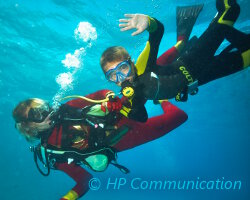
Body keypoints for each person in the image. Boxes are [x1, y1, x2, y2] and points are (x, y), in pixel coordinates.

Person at [13, 90, 187, 199]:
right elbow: (85, 181)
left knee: (146, 85)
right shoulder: (52, 154)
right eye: (37, 113)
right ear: (28, 127)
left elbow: (97, 95)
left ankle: (179, 49)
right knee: (179, 117)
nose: (46, 111)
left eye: (44, 106)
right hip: (125, 136)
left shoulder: (67, 109)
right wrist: (67, 198)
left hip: (119, 111)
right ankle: (163, 99)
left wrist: (110, 96)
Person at [100, 0, 250, 122]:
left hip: (194, 59)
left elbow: (158, 32)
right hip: (203, 77)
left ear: (130, 62)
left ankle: (221, 26)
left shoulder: (142, 66)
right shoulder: (133, 95)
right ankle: (225, 31)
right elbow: (142, 117)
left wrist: (148, 22)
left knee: (231, 11)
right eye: (113, 75)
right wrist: (121, 108)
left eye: (123, 68)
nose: (121, 78)